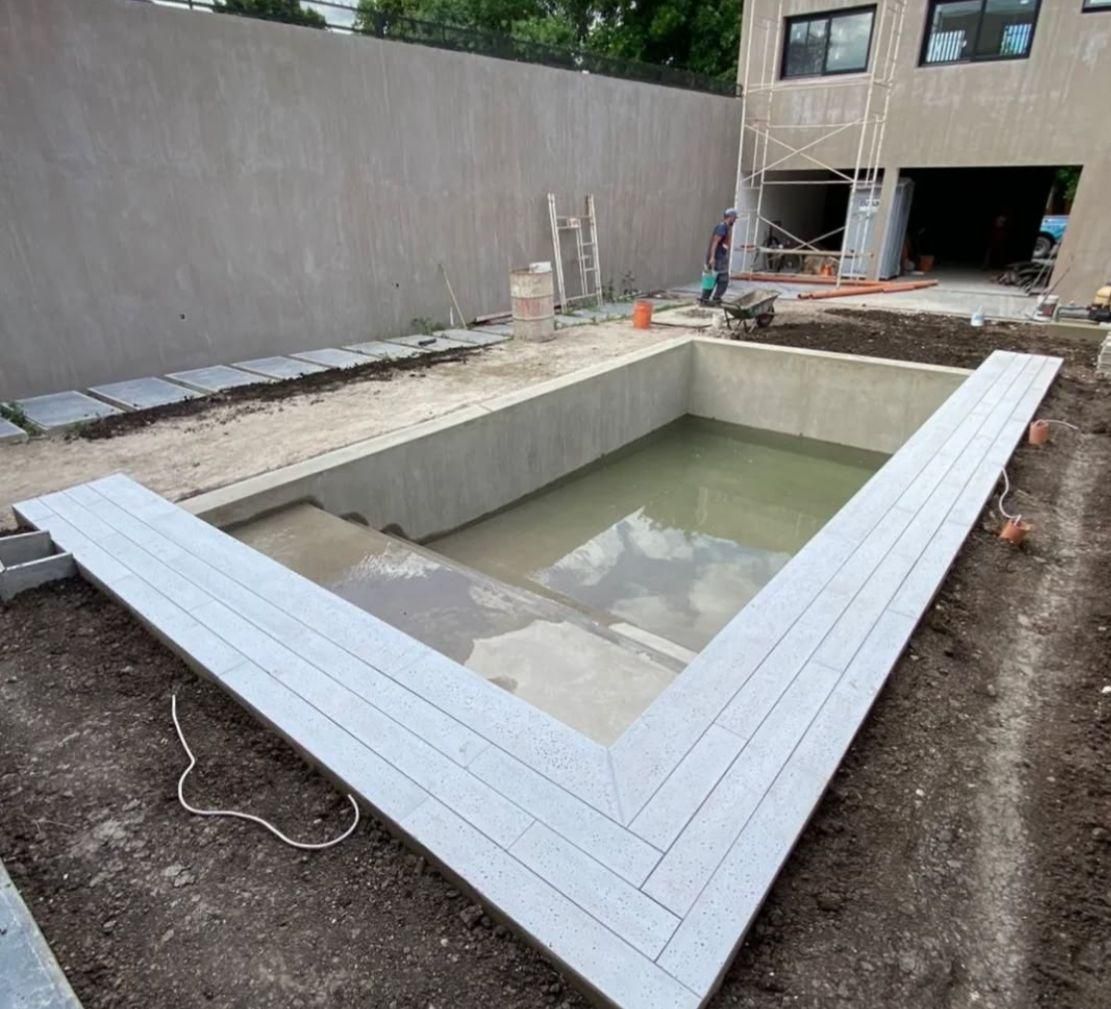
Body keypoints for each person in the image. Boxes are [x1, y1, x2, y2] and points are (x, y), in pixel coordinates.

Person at [702, 208, 737, 305]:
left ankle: (705, 299)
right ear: (730, 217)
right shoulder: (722, 227)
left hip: (718, 257)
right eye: (734, 218)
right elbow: (715, 242)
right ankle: (715, 299)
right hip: (718, 258)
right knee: (723, 279)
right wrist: (712, 257)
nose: (735, 220)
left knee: (711, 278)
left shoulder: (724, 227)